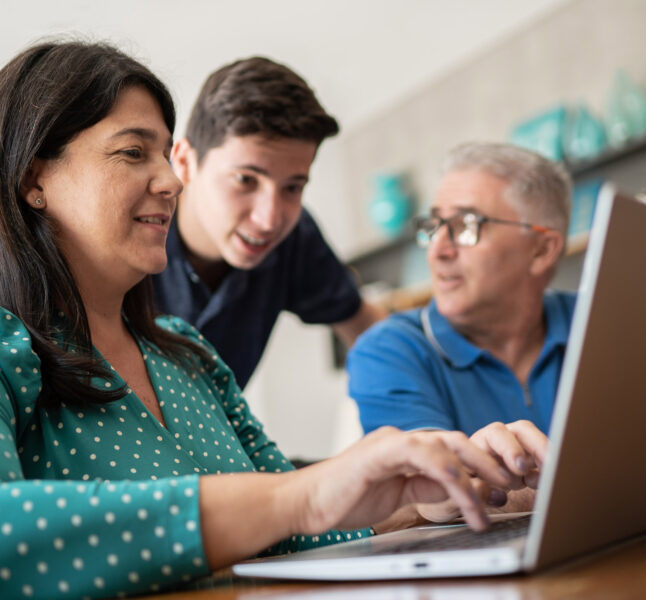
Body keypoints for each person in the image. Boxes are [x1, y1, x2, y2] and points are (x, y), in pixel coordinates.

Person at [0, 42, 545, 599]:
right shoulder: (7, 344)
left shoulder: (189, 354)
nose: (169, 180)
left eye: (163, 154)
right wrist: (302, 497)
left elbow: (292, 531)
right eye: (133, 152)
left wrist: (422, 494)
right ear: (32, 179)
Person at [347, 142, 646, 511]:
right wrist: (639, 474)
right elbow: (431, 492)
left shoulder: (603, 319)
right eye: (433, 226)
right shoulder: (386, 349)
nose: (438, 249)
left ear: (542, 249)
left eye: (465, 226)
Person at [153, 56, 384, 389]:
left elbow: (366, 328)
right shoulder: (126, 234)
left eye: (292, 187)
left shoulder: (296, 237)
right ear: (185, 163)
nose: (269, 220)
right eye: (245, 180)